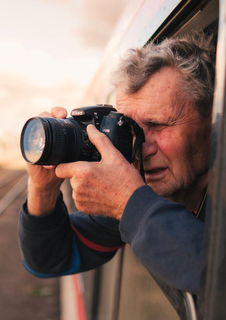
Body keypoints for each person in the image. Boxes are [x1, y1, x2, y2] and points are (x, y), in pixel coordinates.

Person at [18, 31, 215, 318]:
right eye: (129, 129)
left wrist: (129, 203)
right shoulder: (140, 192)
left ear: (213, 122)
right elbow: (48, 260)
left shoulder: (135, 200)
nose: (140, 147)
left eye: (158, 124)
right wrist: (43, 188)